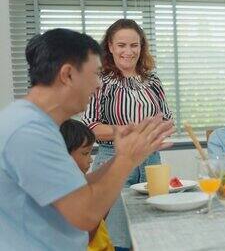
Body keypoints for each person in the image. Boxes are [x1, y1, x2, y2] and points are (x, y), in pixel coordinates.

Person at [0, 28, 174, 250]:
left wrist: (125, 154)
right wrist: (126, 160)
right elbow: (86, 215)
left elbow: (78, 188)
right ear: (68, 75)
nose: (99, 84)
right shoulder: (28, 132)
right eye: (95, 74)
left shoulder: (36, 124)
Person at [82, 19, 173, 249]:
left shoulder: (152, 80)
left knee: (153, 232)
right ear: (110, 47)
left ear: (141, 47)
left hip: (152, 161)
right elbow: (91, 126)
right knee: (118, 236)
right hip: (114, 160)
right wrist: (126, 131)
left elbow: (167, 117)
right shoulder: (100, 80)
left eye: (134, 45)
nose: (128, 51)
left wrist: (157, 130)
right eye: (121, 45)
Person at [60, 119, 114, 251]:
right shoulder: (64, 192)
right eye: (85, 153)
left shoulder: (81, 183)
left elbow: (100, 221)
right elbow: (85, 235)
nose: (90, 159)